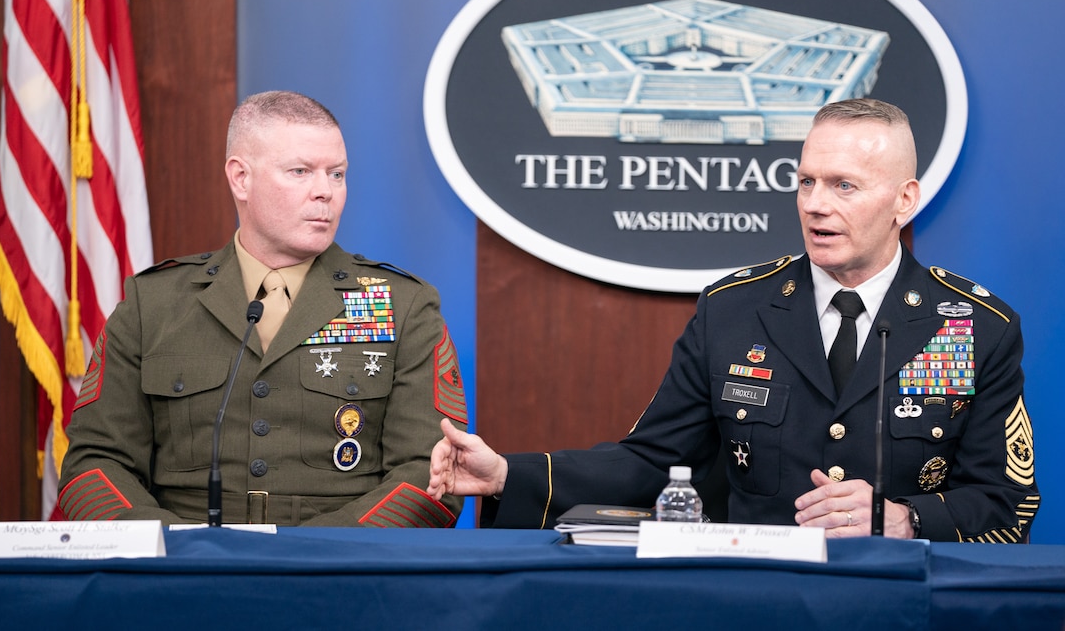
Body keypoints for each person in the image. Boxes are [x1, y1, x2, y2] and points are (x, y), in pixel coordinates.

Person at [427, 98, 1039, 542]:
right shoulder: (734, 309)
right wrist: (509, 473)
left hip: (901, 600)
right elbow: (650, 462)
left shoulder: (975, 326)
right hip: (756, 599)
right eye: (806, 181)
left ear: (905, 200)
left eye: (844, 186)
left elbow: (1007, 503)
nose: (816, 204)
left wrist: (906, 519)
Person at [59, 90, 468, 526]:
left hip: (340, 575)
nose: (324, 192)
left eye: (337, 174)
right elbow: (93, 464)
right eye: (300, 171)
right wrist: (177, 549)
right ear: (240, 178)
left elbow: (430, 474)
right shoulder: (154, 303)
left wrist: (311, 555)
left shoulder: (403, 306)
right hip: (182, 573)